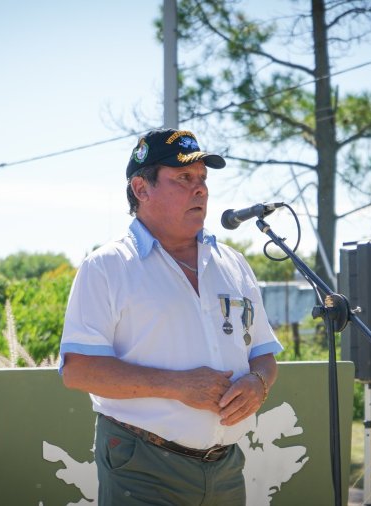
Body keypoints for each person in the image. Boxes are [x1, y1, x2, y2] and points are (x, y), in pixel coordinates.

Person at [60, 128, 283, 505]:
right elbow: (78, 370)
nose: (200, 190)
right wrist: (177, 385)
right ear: (141, 189)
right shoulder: (107, 266)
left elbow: (263, 353)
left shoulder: (233, 264)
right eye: (183, 178)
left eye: (203, 179)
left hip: (227, 468)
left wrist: (258, 382)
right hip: (143, 467)